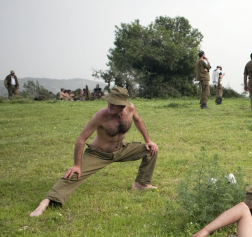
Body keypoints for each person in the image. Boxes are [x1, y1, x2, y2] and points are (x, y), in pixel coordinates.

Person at [30, 87, 158, 217]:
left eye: (114, 103)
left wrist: (148, 140)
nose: (110, 105)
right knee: (73, 174)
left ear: (123, 105)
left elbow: (138, 121)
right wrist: (77, 165)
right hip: (98, 154)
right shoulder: (101, 116)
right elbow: (81, 139)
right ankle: (46, 202)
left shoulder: (130, 109)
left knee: (151, 150)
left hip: (121, 149)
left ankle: (140, 183)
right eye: (109, 101)